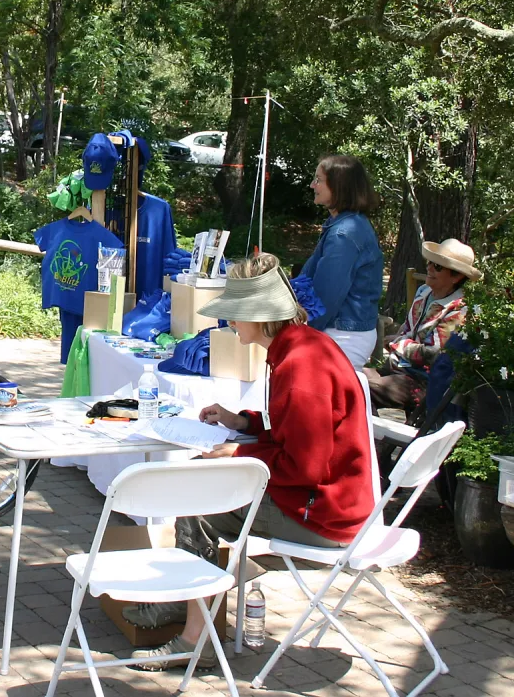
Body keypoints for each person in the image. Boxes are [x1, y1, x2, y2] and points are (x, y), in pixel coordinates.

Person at [124, 253, 375, 670]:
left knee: (198, 507)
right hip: (329, 501)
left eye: (235, 315)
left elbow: (306, 465)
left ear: (259, 316)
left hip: (325, 515)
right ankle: (190, 603)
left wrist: (238, 451)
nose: (229, 324)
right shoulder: (301, 347)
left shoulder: (300, 363)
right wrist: (243, 422)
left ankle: (193, 639)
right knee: (202, 494)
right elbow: (295, 430)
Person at [364, 238, 479, 413]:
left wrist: (398, 343)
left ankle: (370, 436)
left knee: (360, 385)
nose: (429, 268)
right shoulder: (423, 293)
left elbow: (432, 354)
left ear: (456, 276)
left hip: (423, 381)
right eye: (430, 262)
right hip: (398, 369)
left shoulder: (458, 310)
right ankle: (374, 433)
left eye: (438, 266)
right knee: (347, 374)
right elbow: (408, 329)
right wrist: (403, 340)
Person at [302, 154, 384, 371]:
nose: (313, 185)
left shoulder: (344, 234)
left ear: (339, 186)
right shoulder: (343, 224)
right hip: (341, 331)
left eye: (319, 180)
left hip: (342, 336)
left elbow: (324, 299)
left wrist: (296, 334)